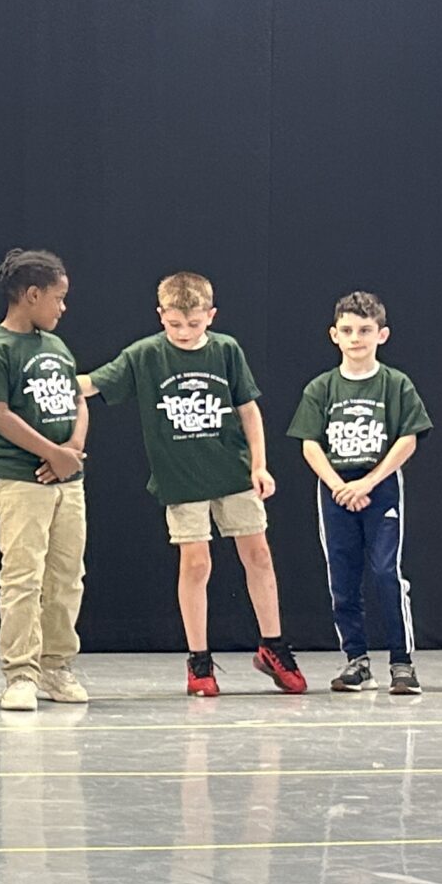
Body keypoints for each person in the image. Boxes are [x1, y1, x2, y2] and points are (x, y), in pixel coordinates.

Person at [80, 272, 304, 697]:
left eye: (194, 324)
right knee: (196, 563)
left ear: (211, 316)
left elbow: (249, 410)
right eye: (175, 324)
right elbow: (93, 383)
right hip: (181, 479)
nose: (184, 332)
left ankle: (273, 645)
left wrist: (259, 465)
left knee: (258, 555)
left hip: (233, 472)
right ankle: (199, 658)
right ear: (160, 315)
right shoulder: (146, 354)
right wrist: (51, 382)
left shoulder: (226, 350)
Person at [286, 291, 431, 695]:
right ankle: (356, 660)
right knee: (342, 576)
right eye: (347, 330)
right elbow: (310, 444)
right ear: (334, 334)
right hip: (335, 491)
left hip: (379, 488)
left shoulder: (395, 384)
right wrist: (338, 486)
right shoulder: (321, 388)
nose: (356, 338)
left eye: (365, 330)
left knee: (386, 572)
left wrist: (368, 482)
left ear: (382, 334)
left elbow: (408, 439)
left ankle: (402, 662)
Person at [0, 249, 88, 711]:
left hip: (66, 482)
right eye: (58, 297)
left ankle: (57, 665)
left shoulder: (57, 346)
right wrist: (51, 453)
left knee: (67, 576)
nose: (64, 307)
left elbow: (78, 400)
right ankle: (20, 672)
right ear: (32, 295)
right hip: (18, 478)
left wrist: (70, 450)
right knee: (24, 576)